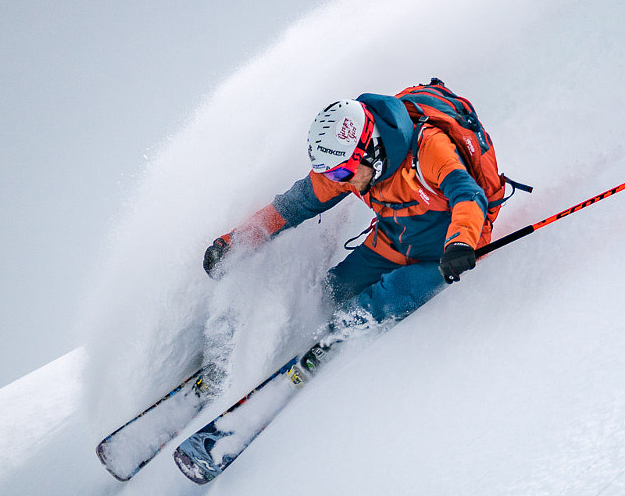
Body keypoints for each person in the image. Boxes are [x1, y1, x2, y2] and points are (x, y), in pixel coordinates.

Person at [201, 90, 488, 332]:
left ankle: (340, 341)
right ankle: (316, 334)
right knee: (330, 294)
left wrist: (460, 243)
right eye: (332, 173)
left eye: (340, 172)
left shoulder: (430, 149)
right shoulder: (352, 169)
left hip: (450, 251)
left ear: (370, 149)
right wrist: (235, 243)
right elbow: (293, 206)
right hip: (393, 240)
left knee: (388, 296)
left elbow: (468, 195)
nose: (339, 180)